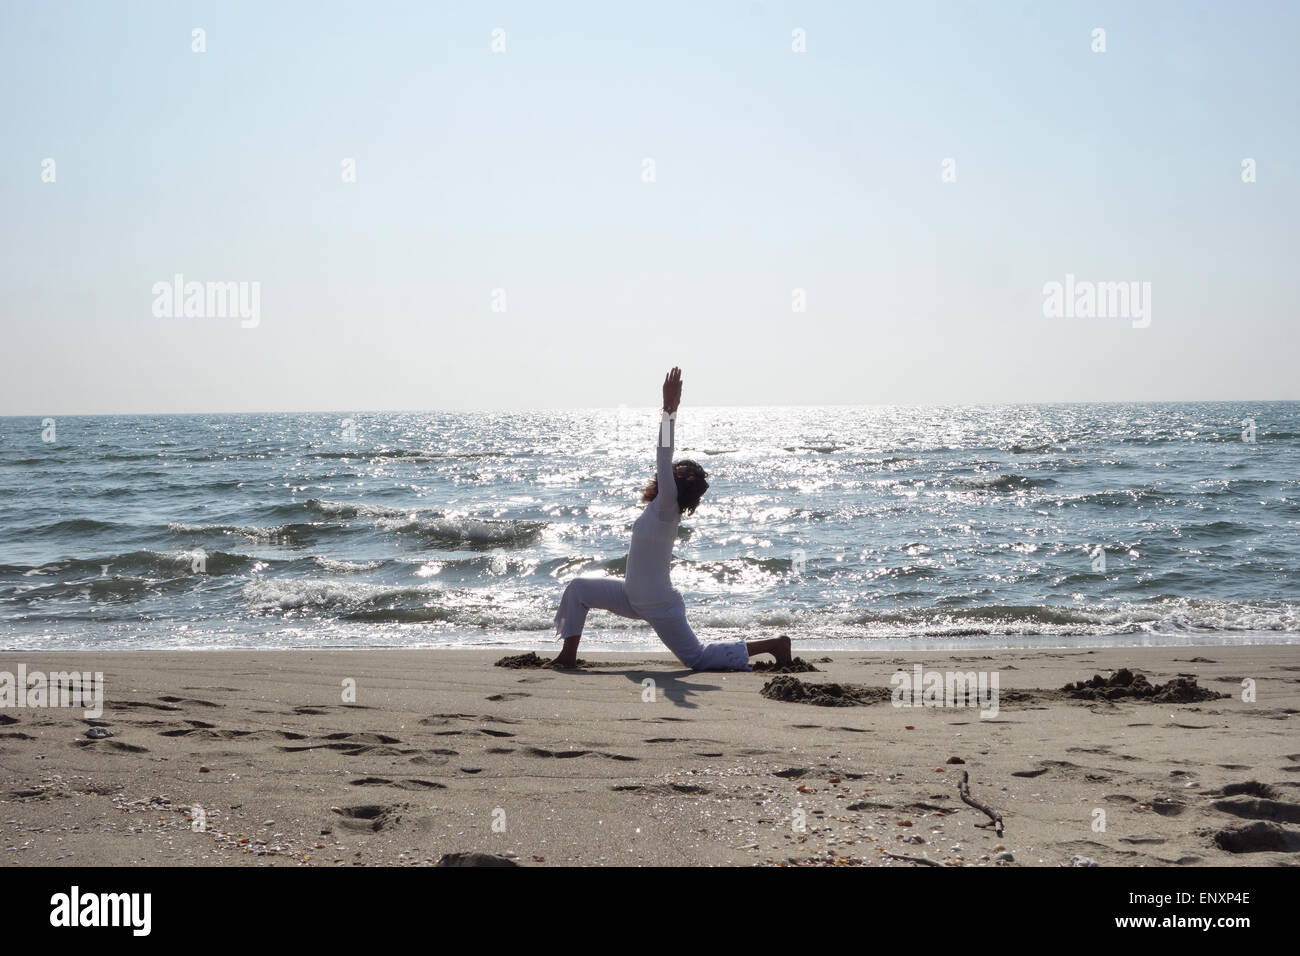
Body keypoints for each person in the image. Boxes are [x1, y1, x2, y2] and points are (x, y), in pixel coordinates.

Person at [551, 367, 791, 670]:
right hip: (631, 595)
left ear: (678, 479)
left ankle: (775, 644)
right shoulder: (661, 508)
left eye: (674, 470)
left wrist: (668, 411)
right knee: (578, 589)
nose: (668, 470)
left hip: (659, 603)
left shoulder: (668, 505)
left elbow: (662, 455)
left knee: (698, 659)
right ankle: (568, 656)